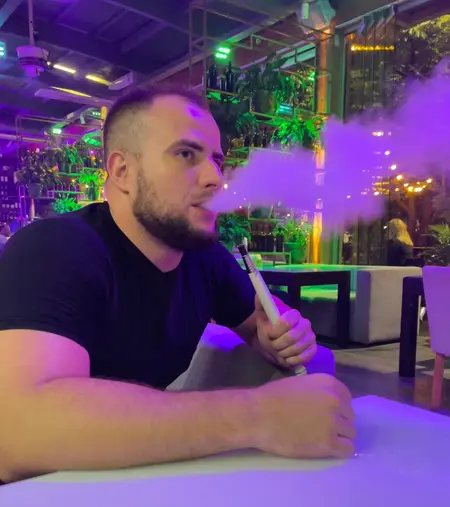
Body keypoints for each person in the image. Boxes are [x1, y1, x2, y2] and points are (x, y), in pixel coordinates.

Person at [0, 87, 355, 483]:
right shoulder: (55, 248)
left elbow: (259, 327)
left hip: (123, 486)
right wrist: (257, 415)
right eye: (186, 154)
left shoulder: (204, 258)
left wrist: (277, 338)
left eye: (217, 161)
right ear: (122, 171)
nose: (215, 179)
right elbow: (16, 431)